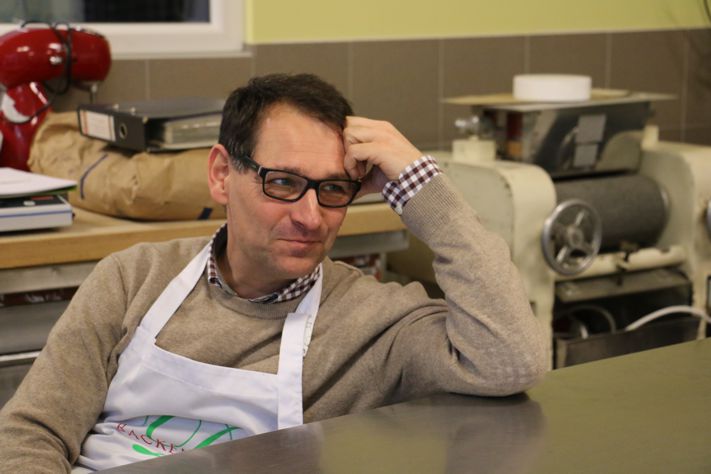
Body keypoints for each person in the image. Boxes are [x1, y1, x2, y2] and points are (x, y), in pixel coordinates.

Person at [0, 73, 548, 472]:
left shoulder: (373, 323)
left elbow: (510, 360)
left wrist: (423, 187)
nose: (310, 217)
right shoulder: (134, 278)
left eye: (333, 189)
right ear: (222, 174)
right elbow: (32, 431)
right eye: (283, 183)